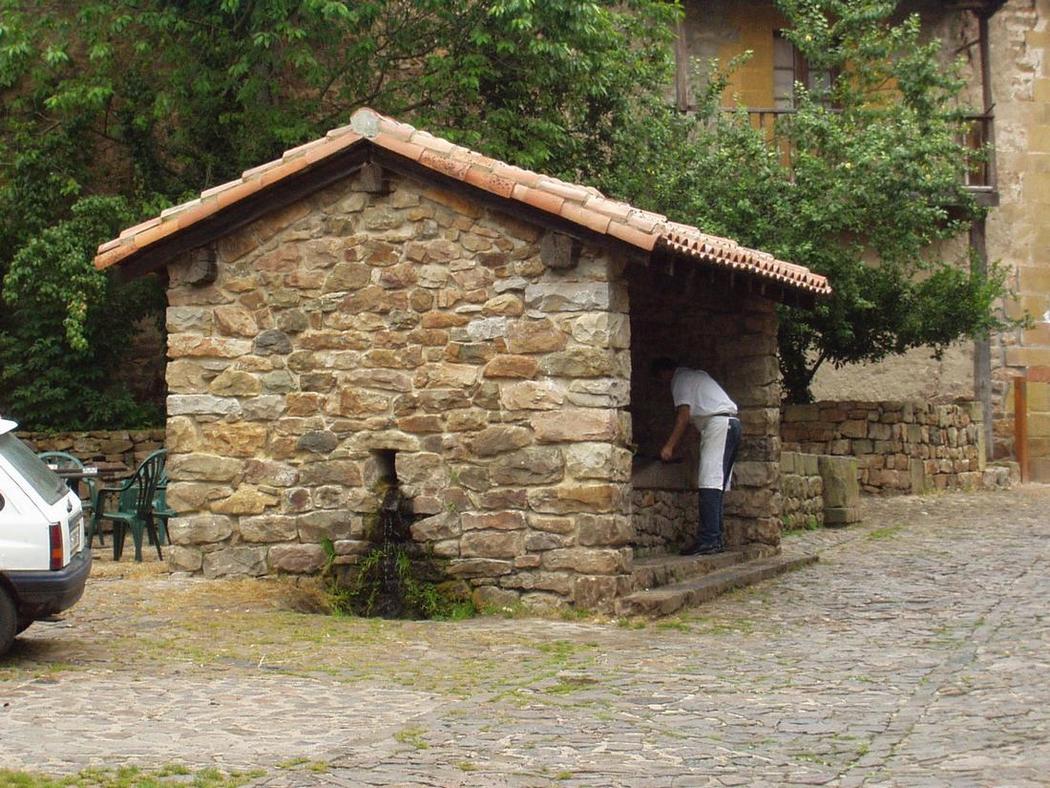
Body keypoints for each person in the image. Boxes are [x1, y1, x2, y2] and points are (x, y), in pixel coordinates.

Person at [651, 358, 742, 556]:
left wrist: (669, 447)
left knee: (710, 483)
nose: (664, 384)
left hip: (719, 426)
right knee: (717, 485)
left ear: (664, 373)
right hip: (730, 425)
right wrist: (682, 451)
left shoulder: (679, 379)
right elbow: (693, 426)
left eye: (661, 379)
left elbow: (683, 416)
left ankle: (709, 539)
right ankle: (716, 538)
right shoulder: (695, 376)